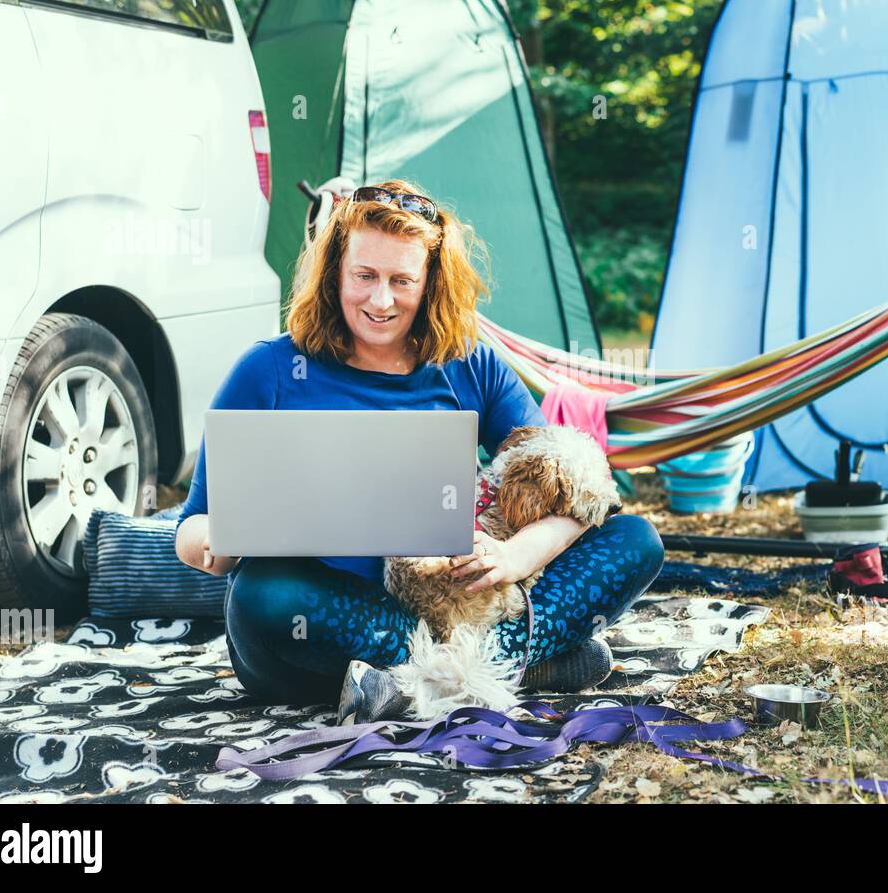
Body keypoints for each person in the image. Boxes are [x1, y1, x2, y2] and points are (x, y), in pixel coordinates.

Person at [173, 180, 664, 719]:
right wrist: (215, 543)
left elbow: (577, 493)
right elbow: (191, 526)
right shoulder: (268, 369)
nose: (380, 301)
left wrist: (515, 554)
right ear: (335, 269)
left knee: (633, 538)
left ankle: (437, 678)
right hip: (315, 631)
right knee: (261, 595)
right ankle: (515, 664)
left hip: (448, 610)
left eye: (401, 280)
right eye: (364, 276)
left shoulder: (470, 364)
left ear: (430, 283)